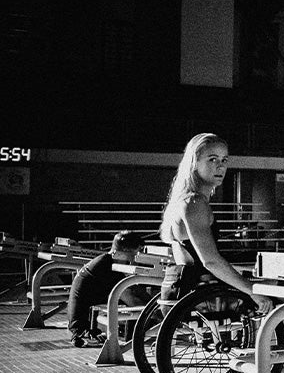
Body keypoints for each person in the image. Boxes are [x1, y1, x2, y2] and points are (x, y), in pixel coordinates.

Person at [158, 133, 273, 315]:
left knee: (267, 285)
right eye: (212, 159)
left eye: (224, 160)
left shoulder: (183, 201)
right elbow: (210, 261)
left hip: (179, 293)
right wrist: (251, 290)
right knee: (281, 296)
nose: (221, 166)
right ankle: (270, 343)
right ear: (194, 163)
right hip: (200, 300)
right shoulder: (194, 204)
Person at [67, 231, 146, 347]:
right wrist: (159, 313)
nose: (137, 257)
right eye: (136, 253)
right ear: (125, 251)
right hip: (82, 329)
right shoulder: (107, 268)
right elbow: (132, 301)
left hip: (79, 322)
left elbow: (133, 289)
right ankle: (134, 337)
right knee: (136, 305)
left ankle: (134, 334)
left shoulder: (106, 261)